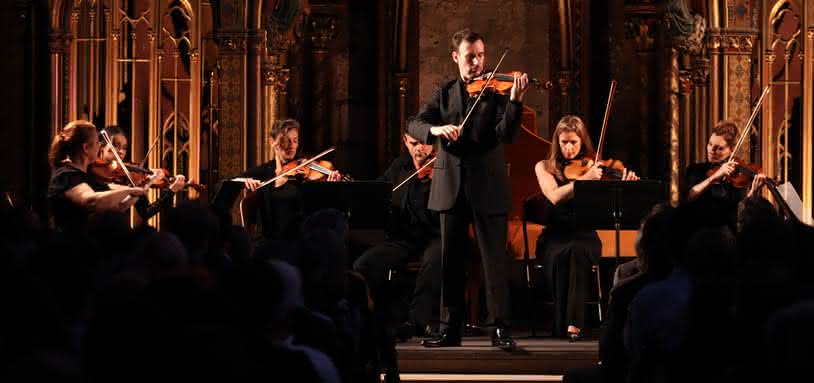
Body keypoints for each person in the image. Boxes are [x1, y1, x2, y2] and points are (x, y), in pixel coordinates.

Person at [407, 28, 528, 350]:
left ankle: (500, 328)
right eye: (470, 56)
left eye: (481, 55)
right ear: (456, 57)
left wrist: (514, 101)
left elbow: (507, 136)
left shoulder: (498, 92)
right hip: (450, 185)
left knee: (493, 263)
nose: (477, 62)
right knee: (451, 262)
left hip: (487, 185)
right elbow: (415, 123)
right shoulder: (444, 92)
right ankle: (450, 329)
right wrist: (436, 128)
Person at [533, 115, 639, 341]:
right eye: (564, 142)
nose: (569, 148)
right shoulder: (544, 167)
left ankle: (572, 323)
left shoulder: (594, 166)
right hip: (555, 235)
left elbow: (612, 202)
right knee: (565, 253)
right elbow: (554, 196)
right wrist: (584, 180)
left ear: (582, 142)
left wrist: (624, 184)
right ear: (557, 142)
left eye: (574, 142)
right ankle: (564, 322)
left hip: (584, 234)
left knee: (578, 251)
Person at [352, 131, 442, 381]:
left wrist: (436, 180)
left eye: (423, 144)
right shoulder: (399, 167)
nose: (419, 150)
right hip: (403, 239)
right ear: (404, 141)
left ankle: (415, 322)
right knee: (364, 264)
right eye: (413, 144)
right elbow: (375, 195)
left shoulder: (442, 169)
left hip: (435, 235)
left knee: (433, 261)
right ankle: (367, 324)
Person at [238, 119, 343, 260]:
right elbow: (224, 183)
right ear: (272, 142)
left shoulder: (303, 171)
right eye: (285, 141)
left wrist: (329, 188)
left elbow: (316, 208)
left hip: (299, 243)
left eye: (295, 140)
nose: (291, 146)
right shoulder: (265, 172)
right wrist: (244, 180)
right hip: (269, 244)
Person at [47, 120, 147, 232]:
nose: (100, 146)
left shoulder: (87, 178)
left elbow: (119, 206)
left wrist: (139, 190)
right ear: (85, 148)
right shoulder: (66, 175)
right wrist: (128, 191)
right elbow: (91, 201)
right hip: (70, 245)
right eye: (96, 143)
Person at [685, 119, 766, 229]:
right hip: (698, 230)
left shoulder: (736, 177)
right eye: (710, 144)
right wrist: (716, 175)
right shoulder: (695, 170)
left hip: (728, 235)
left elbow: (741, 214)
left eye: (720, 148)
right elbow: (690, 196)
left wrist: (753, 192)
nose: (712, 150)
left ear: (731, 150)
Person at [97, 126, 187, 221]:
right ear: (101, 147)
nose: (121, 152)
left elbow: (147, 212)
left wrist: (171, 190)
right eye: (116, 146)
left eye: (124, 148)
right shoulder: (92, 173)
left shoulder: (128, 177)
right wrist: (147, 183)